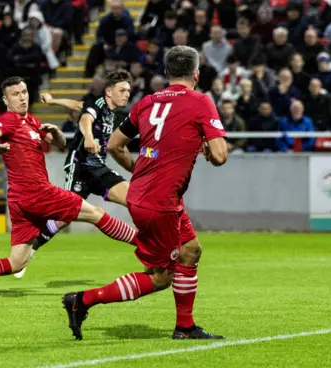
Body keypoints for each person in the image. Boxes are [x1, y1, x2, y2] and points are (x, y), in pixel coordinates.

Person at [62, 46, 228, 341]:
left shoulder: (146, 103)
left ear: (166, 74)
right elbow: (220, 156)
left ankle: (185, 327)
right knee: (161, 276)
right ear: (197, 74)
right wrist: (207, 148)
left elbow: (113, 145)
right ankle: (83, 300)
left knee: (191, 250)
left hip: (150, 196)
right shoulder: (201, 102)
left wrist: (140, 171)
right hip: (160, 203)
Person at [0, 77, 138, 301]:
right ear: (5, 99)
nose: (22, 97)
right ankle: (147, 245)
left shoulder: (31, 121)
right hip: (36, 192)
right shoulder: (9, 119)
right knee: (95, 214)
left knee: (16, 262)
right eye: (15, 94)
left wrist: (56, 132)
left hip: (20, 201)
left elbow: (60, 144)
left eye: (24, 92)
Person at [13, 70, 136, 278]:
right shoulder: (98, 104)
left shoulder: (110, 111)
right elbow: (85, 119)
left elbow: (78, 106)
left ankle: (153, 246)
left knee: (135, 198)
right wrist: (88, 137)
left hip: (98, 168)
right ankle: (31, 248)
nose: (126, 94)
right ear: (108, 92)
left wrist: (53, 101)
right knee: (63, 217)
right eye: (122, 90)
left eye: (128, 91)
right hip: (79, 166)